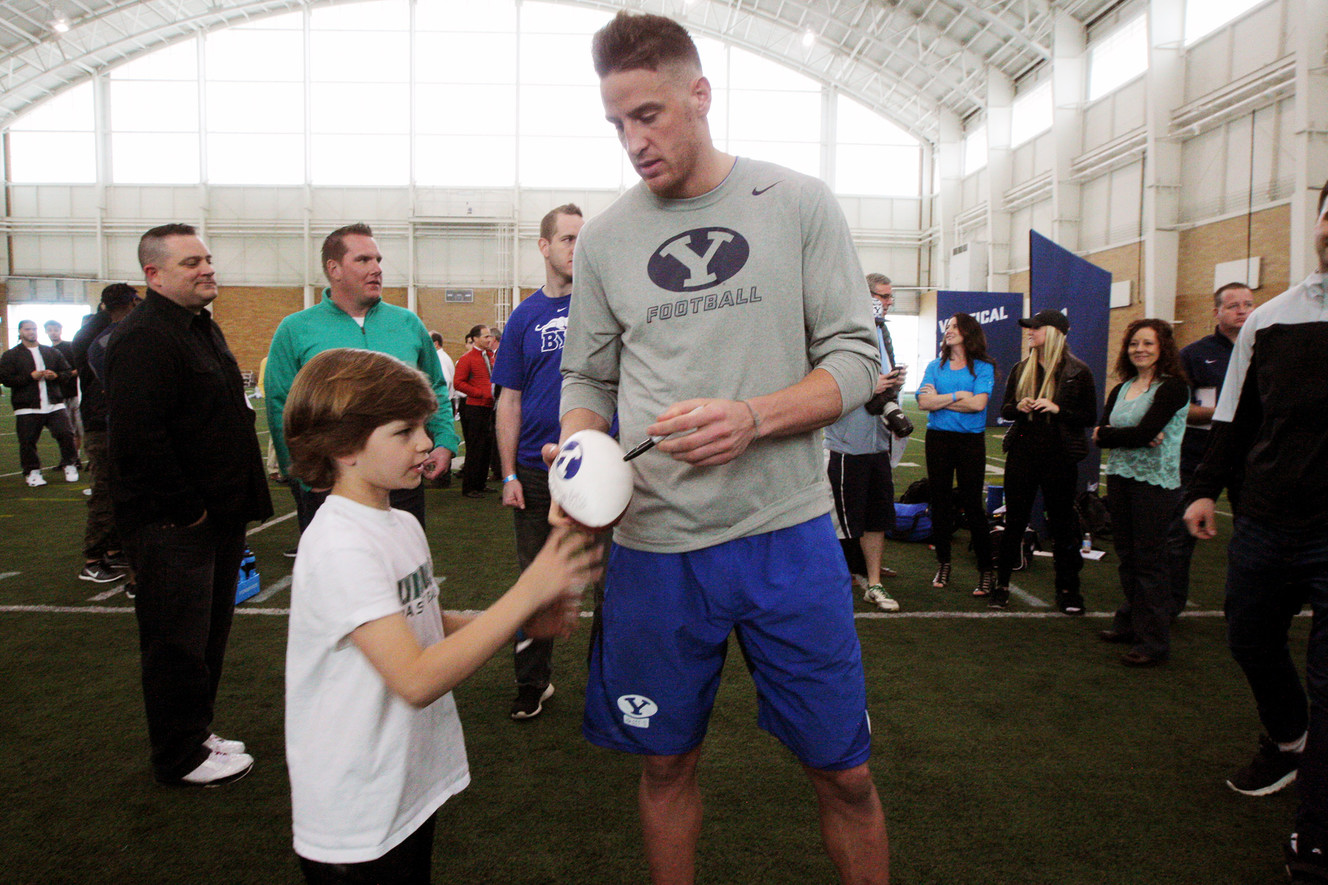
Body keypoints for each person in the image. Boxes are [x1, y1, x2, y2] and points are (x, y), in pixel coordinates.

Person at [556, 12, 888, 883]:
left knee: (846, 774)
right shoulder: (604, 238)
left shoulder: (797, 201)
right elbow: (586, 383)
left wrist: (754, 415)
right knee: (665, 763)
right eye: (618, 124)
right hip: (656, 550)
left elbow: (856, 357)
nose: (634, 141)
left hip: (786, 532)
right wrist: (578, 459)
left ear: (699, 96)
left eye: (650, 115)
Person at [283, 347, 600, 883]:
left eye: (424, 427)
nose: (427, 443)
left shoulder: (398, 524)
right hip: (355, 813)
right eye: (404, 431)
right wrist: (527, 592)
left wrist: (523, 625)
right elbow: (414, 678)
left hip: (401, 788)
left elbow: (425, 622)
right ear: (343, 447)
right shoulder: (340, 543)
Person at [1184, 181, 1328, 880]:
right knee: (1247, 636)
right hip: (1269, 520)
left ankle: (1315, 833)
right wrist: (1204, 489)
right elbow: (1236, 417)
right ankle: (1290, 738)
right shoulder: (1272, 320)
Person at [105, 223, 273, 786]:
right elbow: (138, 439)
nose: (207, 269)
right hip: (175, 525)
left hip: (215, 518)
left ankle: (196, 733)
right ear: (153, 275)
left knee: (206, 636)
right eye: (190, 263)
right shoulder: (145, 336)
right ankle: (178, 755)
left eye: (207, 258)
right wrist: (188, 511)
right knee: (176, 642)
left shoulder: (198, 327)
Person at [265, 223, 458, 533]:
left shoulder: (407, 323)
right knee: (336, 574)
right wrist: (303, 473)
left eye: (378, 260)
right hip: (330, 484)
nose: (376, 269)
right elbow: (282, 407)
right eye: (363, 260)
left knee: (405, 568)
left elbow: (435, 386)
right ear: (334, 268)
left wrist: (445, 441)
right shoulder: (295, 329)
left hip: (403, 478)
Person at [493, 204, 585, 719]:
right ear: (544, 246)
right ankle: (533, 683)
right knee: (536, 583)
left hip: (598, 470)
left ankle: (614, 687)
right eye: (568, 238)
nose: (577, 246)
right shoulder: (525, 317)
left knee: (616, 583)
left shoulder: (603, 305)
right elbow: (510, 400)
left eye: (582, 238)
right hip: (535, 471)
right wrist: (508, 473)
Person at [1094, 319, 1189, 667]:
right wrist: (1128, 434)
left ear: (1162, 347)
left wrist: (1118, 434)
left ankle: (1154, 642)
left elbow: (1128, 433)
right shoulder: (1121, 388)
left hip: (1155, 482)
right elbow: (1102, 433)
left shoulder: (1174, 388)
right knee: (1128, 556)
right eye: (1134, 343)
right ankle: (1130, 624)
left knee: (1150, 561)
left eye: (1148, 343)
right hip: (1120, 476)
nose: (1140, 350)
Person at [991, 309, 1098, 613]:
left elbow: (1089, 417)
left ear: (1052, 333)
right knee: (1014, 522)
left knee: (1063, 525)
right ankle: (1001, 586)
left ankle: (1068, 590)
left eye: (1035, 328)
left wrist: (1056, 408)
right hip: (1023, 453)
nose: (1029, 332)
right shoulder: (1021, 368)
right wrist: (1020, 406)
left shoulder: (1078, 371)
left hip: (1060, 457)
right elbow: (1007, 410)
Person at [1164, 283, 1254, 618]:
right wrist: (1230, 413)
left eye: (1248, 304)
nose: (1242, 310)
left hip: (1252, 459)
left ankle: (1247, 608)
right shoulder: (1194, 354)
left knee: (1252, 538)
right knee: (1178, 537)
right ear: (1216, 312)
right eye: (1233, 305)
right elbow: (1177, 408)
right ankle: (1169, 607)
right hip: (1198, 457)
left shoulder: (1267, 348)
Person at [826, 275, 908, 612]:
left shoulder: (882, 330)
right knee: (843, 521)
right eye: (883, 296)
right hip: (846, 440)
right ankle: (835, 579)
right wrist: (866, 386)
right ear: (866, 295)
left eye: (890, 297)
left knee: (876, 517)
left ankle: (873, 583)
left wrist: (893, 382)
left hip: (877, 440)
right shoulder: (841, 328)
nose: (888, 302)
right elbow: (825, 379)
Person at [915, 313, 996, 596]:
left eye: (954, 326)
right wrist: (957, 395)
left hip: (970, 442)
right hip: (938, 439)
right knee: (939, 499)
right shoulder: (934, 366)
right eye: (947, 327)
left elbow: (978, 406)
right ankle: (944, 563)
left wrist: (941, 402)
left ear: (968, 332)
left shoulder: (984, 368)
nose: (948, 331)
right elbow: (924, 401)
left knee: (973, 504)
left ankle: (986, 570)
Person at [71, 283, 140, 583]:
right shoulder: (103, 337)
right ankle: (92, 557)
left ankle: (112, 550)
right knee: (105, 491)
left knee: (118, 489)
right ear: (132, 302)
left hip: (105, 418)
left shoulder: (93, 332)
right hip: (103, 422)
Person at [0, 319, 80, 486]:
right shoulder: (11, 355)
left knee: (66, 434)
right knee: (28, 441)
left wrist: (55, 376)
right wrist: (30, 377)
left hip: (54, 403)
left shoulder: (51, 352)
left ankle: (70, 464)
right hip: (27, 406)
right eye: (28, 329)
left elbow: (66, 371)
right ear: (21, 331)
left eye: (34, 329)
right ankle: (32, 472)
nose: (32, 332)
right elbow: (6, 379)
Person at [453, 324, 497, 499]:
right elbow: (458, 383)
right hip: (475, 407)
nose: (489, 339)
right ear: (475, 339)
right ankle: (470, 486)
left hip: (489, 407)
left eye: (490, 336)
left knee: (486, 447)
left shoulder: (490, 357)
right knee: (475, 448)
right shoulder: (467, 359)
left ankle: (480, 483)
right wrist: (480, 394)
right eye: (486, 337)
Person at [44, 319, 82, 459]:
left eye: (55, 330)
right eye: (50, 330)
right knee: (66, 429)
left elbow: (80, 367)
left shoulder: (70, 347)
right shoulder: (47, 351)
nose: (53, 333)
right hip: (59, 395)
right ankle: (71, 458)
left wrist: (62, 375)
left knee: (79, 427)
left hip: (74, 392)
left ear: (61, 330)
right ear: (46, 332)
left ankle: (78, 456)